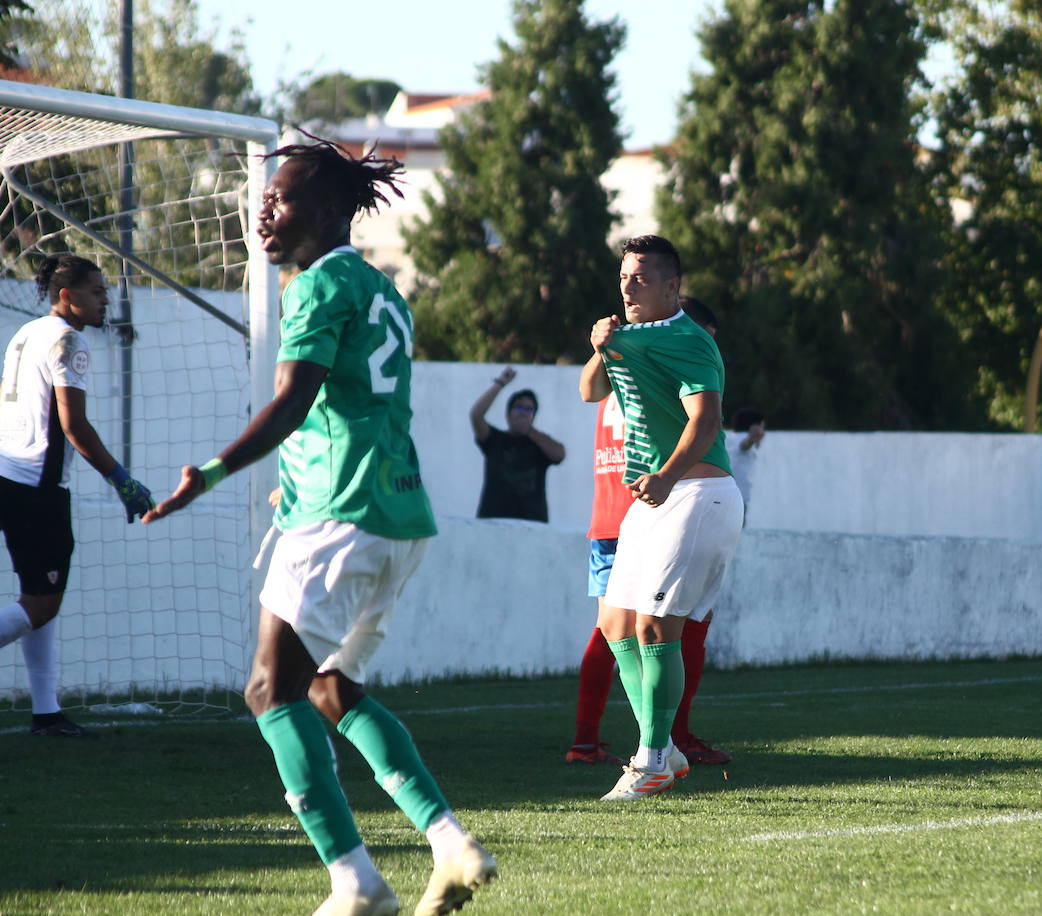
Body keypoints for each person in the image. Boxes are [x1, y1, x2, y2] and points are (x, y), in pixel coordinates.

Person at [143, 137, 495, 916]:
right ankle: (449, 843)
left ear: (331, 211)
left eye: (285, 197)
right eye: (264, 197)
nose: (265, 209)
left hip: (340, 517)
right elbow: (356, 408)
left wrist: (213, 471)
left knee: (271, 689)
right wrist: (294, 483)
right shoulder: (380, 288)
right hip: (396, 516)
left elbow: (295, 401)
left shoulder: (317, 288)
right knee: (333, 689)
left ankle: (356, 883)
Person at [578, 235, 743, 801]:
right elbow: (588, 391)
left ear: (673, 287)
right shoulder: (624, 334)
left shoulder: (690, 338)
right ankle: (664, 751)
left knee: (655, 628)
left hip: (697, 495)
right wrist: (601, 345)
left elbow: (707, 420)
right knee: (615, 626)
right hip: (650, 501)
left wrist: (668, 476)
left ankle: (650, 758)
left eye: (642, 277)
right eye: (624, 276)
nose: (629, 286)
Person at [0, 254, 154, 738]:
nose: (105, 298)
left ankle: (46, 712)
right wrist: (122, 480)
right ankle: (45, 711)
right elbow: (75, 425)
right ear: (67, 296)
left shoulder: (27, 333)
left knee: (38, 596)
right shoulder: (70, 340)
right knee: (41, 606)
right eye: (96, 291)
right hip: (36, 488)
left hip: (8, 474)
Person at [470, 367, 565, 522]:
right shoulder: (494, 439)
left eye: (529, 410)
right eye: (519, 407)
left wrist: (529, 431)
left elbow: (560, 454)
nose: (523, 413)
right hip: (493, 523)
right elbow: (476, 415)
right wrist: (500, 384)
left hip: (532, 525)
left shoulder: (540, 442)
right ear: (508, 414)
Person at [726, 407, 766, 518]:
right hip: (738, 496)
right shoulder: (742, 438)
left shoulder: (732, 437)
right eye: (762, 426)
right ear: (754, 427)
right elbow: (743, 446)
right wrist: (752, 438)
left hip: (732, 494)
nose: (763, 430)